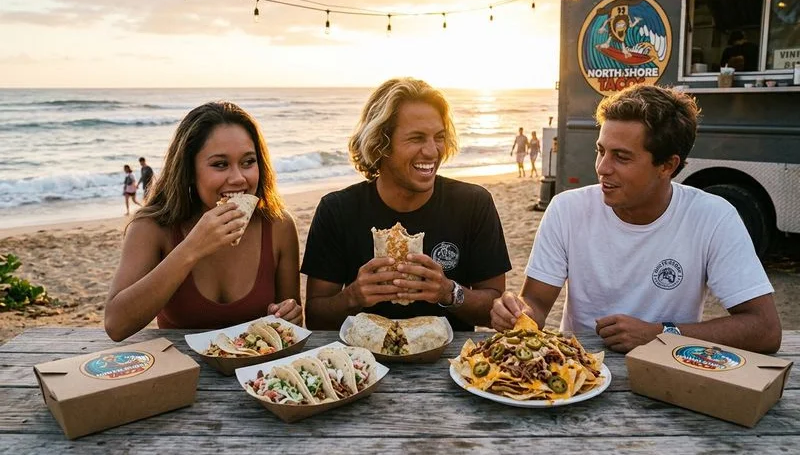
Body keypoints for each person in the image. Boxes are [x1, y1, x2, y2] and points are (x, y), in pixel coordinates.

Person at [490, 84, 781, 354]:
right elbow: (537, 303)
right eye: (600, 151)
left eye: (622, 157)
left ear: (667, 165)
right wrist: (518, 312)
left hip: (669, 376)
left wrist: (661, 334)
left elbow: (765, 329)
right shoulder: (567, 210)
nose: (603, 168)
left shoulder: (712, 217)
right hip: (578, 375)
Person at [302, 77, 511, 331]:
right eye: (417, 138)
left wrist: (448, 291)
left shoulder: (473, 204)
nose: (433, 151)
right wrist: (353, 297)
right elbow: (314, 317)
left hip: (449, 365)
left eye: (439, 137)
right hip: (362, 364)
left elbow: (495, 310)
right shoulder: (337, 211)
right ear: (381, 144)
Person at [104, 101, 302, 342]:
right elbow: (116, 325)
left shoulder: (279, 226)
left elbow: (291, 326)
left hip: (258, 375)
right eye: (220, 164)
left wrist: (289, 315)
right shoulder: (152, 227)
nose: (239, 178)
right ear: (189, 170)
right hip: (181, 375)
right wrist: (192, 248)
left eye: (248, 162)